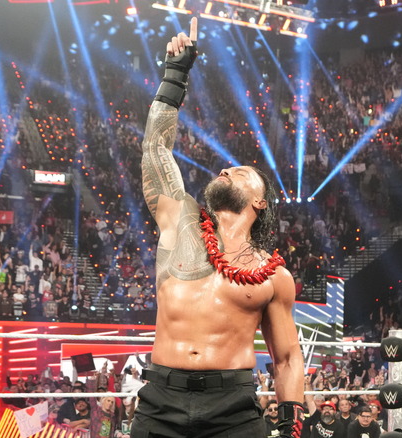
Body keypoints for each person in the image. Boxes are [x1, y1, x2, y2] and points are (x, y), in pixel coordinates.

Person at [131, 16, 304, 438]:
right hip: (160, 401)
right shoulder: (179, 219)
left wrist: (290, 422)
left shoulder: (274, 276)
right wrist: (175, 75)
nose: (228, 168)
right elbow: (155, 148)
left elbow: (286, 358)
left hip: (234, 409)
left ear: (259, 202)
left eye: (242, 172)